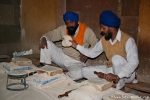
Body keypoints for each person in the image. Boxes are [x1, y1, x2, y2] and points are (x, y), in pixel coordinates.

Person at [70, 10, 139, 89]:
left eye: (103, 27)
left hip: (126, 75)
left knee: (116, 59)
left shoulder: (128, 40)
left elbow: (134, 62)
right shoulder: (104, 40)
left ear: (111, 28)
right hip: (111, 70)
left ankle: (118, 84)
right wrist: (77, 46)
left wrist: (118, 76)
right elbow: (92, 53)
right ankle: (110, 81)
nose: (101, 30)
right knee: (84, 71)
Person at [39, 11, 98, 80]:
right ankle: (47, 69)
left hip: (76, 61)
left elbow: (96, 43)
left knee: (80, 73)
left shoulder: (87, 31)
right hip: (62, 56)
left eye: (71, 22)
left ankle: (62, 75)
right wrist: (43, 38)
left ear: (77, 22)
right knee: (46, 43)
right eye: (67, 23)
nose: (69, 25)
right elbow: (51, 34)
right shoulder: (63, 28)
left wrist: (87, 54)